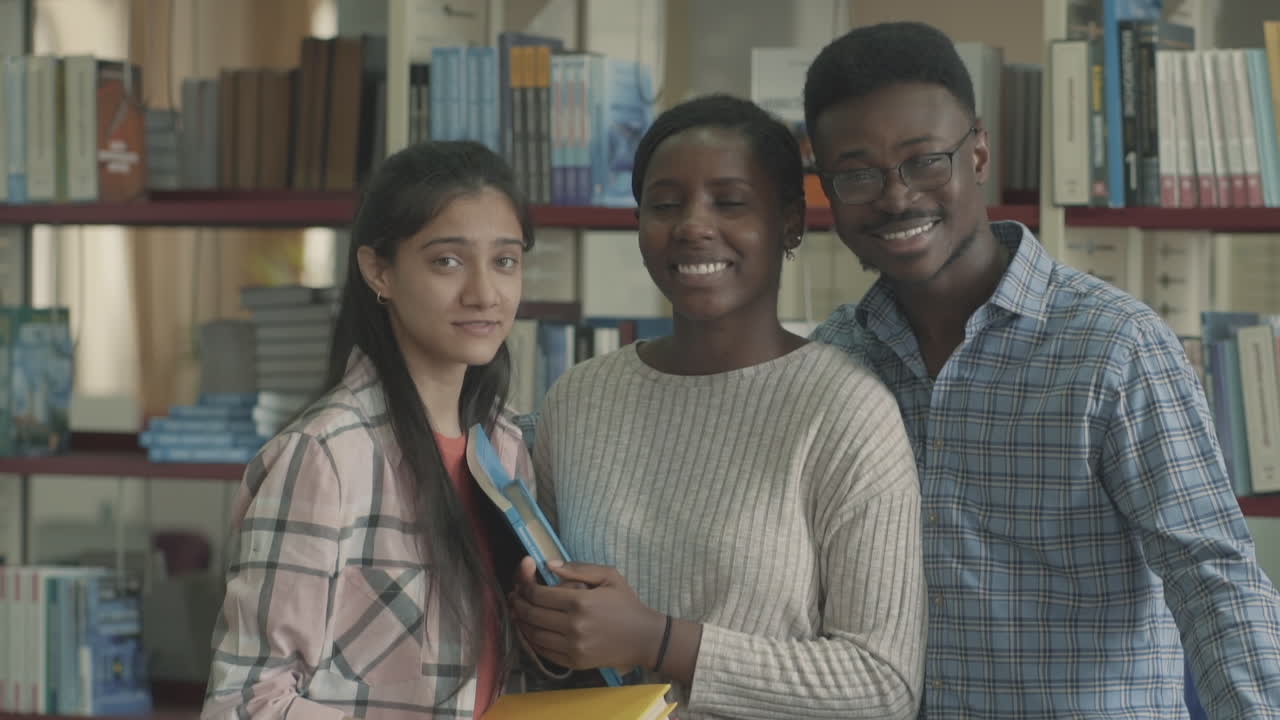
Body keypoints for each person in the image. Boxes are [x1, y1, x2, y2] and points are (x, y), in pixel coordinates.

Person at [803, 20, 1280, 718]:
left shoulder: (1114, 345)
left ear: (980, 152)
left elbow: (1212, 575)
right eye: (858, 174)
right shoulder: (835, 357)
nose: (897, 196)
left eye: (924, 159)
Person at [510, 94, 926, 720]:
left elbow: (883, 684)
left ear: (790, 222)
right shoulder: (579, 398)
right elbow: (551, 637)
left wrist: (661, 639)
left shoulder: (845, 412)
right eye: (665, 204)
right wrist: (548, 635)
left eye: (730, 202)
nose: (693, 226)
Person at [202, 141, 544, 720]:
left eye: (505, 261)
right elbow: (244, 703)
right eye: (448, 261)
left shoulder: (506, 446)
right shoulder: (325, 455)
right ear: (379, 270)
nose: (485, 293)